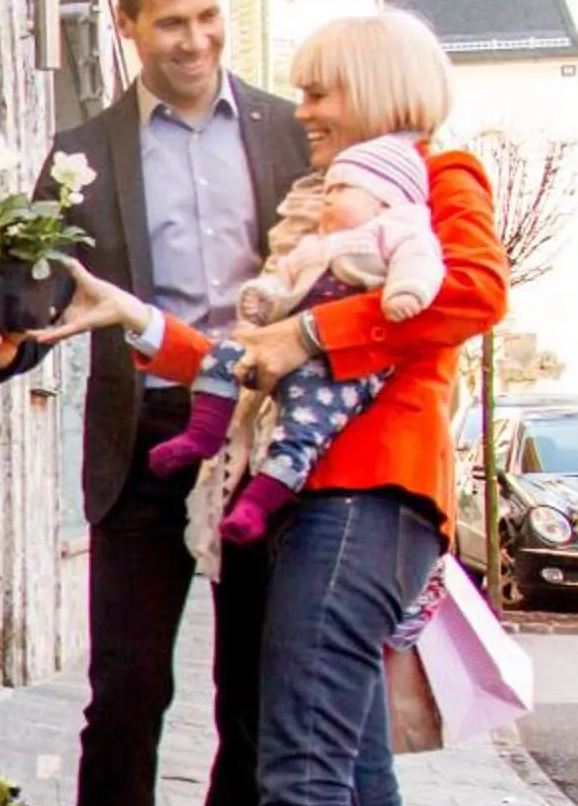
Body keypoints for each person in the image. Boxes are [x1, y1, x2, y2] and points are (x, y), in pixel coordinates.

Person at [18, 11, 507, 806]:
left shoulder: (439, 171)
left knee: (296, 776)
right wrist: (127, 316)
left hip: (362, 500)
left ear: (376, 85)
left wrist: (317, 337)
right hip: (327, 503)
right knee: (357, 785)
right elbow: (245, 364)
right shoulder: (334, 214)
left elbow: (475, 291)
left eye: (325, 90)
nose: (311, 110)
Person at [0, 0, 313, 806]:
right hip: (142, 446)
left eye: (210, 15)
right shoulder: (82, 151)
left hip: (260, 439)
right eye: (173, 21)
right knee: (125, 702)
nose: (199, 39)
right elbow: (37, 307)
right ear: (128, 25)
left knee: (254, 711)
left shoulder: (284, 130)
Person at [148, 134, 446, 544]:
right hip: (279, 347)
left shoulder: (398, 232)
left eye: (343, 188)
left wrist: (407, 291)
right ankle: (203, 432)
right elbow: (283, 279)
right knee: (222, 357)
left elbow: (421, 266)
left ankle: (256, 506)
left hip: (338, 367)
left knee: (301, 433)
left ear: (385, 198)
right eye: (327, 189)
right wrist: (263, 299)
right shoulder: (315, 244)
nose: (328, 198)